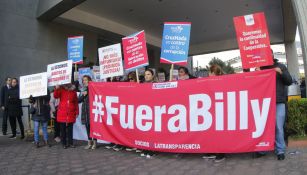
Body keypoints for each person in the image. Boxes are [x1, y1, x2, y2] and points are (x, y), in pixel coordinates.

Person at [259, 57, 292, 160]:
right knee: (263, 126)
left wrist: (281, 72)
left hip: (278, 102)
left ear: (272, 55)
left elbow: (289, 81)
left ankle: (280, 150)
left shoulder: (281, 66)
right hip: (264, 102)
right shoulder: (260, 68)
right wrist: (255, 73)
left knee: (278, 126)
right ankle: (262, 149)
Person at [202, 64, 225, 163]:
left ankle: (221, 153)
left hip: (220, 110)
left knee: (219, 133)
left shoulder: (224, 81)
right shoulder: (208, 81)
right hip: (211, 111)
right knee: (211, 132)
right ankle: (212, 151)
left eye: (211, 73)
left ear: (217, 73)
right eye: (209, 72)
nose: (209, 74)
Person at [54, 84, 79, 149]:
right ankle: (64, 143)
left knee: (70, 129)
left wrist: (77, 112)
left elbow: (76, 102)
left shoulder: (73, 92)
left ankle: (70, 143)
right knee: (63, 129)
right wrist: (57, 88)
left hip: (71, 112)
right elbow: (55, 96)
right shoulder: (61, 89)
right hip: (63, 112)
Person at [78, 75, 97, 149]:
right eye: (83, 80)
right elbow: (78, 100)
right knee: (87, 126)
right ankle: (89, 142)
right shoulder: (83, 89)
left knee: (93, 127)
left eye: (86, 80)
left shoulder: (93, 88)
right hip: (85, 110)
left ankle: (95, 142)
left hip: (91, 109)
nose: (84, 81)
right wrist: (83, 95)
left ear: (89, 80)